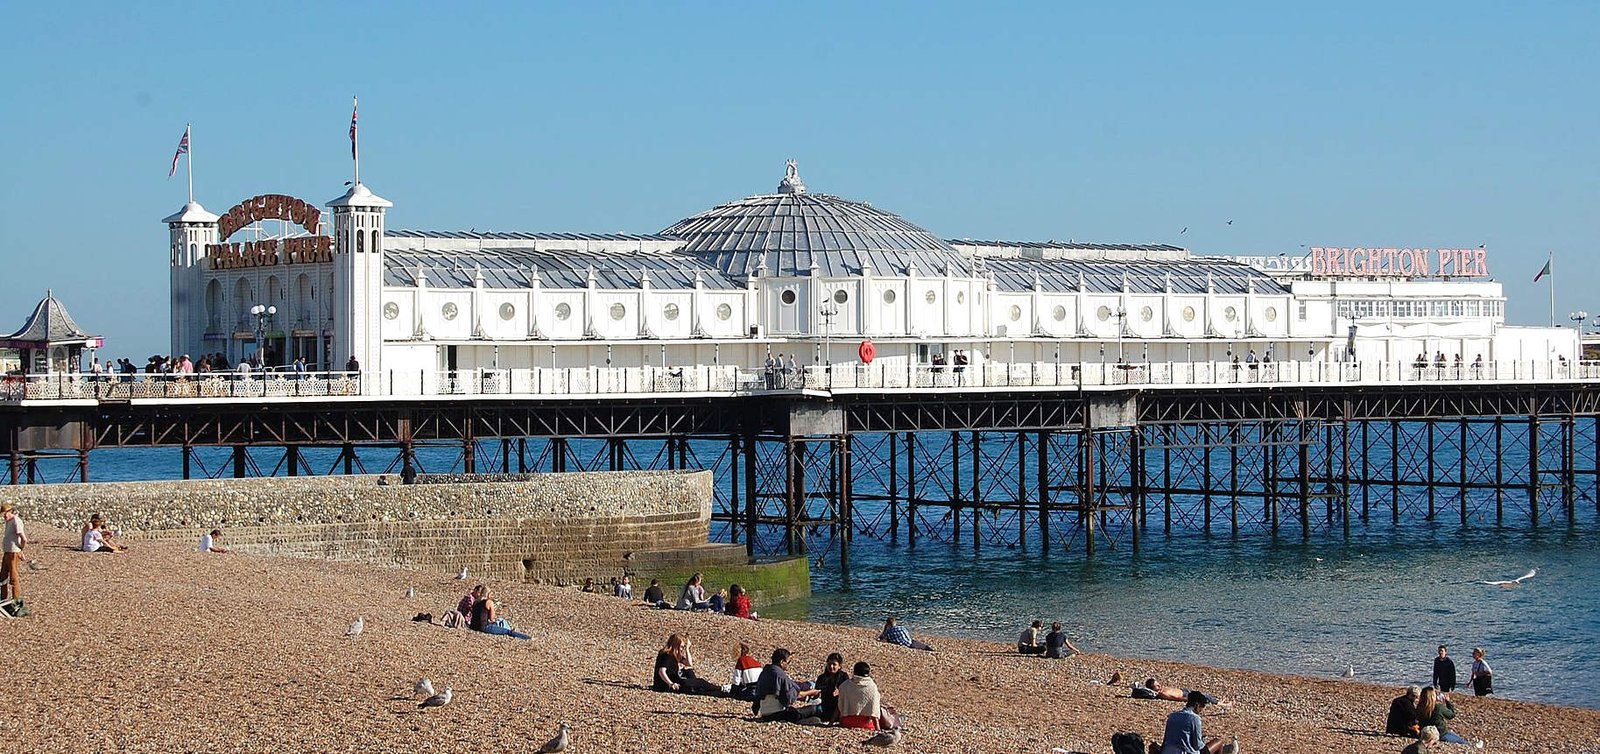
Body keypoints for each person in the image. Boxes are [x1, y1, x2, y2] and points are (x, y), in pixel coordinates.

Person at [754, 647, 822, 723]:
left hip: (764, 713)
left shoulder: (765, 672)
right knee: (813, 709)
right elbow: (794, 695)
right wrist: (811, 692)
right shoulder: (779, 675)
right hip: (778, 714)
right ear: (782, 662)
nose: (788, 665)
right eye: (788, 662)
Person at [1159, 690, 1229, 754]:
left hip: (1167, 751)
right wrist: (1203, 742)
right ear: (1197, 705)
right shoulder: (1194, 718)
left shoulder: (1172, 716)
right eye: (1202, 707)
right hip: (1185, 752)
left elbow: (1165, 740)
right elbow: (1197, 745)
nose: (1200, 711)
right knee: (1218, 742)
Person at [652, 634, 723, 696]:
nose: (682, 649)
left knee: (689, 671)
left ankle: (696, 685)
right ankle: (720, 688)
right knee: (700, 681)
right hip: (665, 685)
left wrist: (687, 649)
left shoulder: (675, 655)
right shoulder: (667, 655)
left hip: (674, 680)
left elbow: (689, 664)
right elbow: (661, 671)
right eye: (681, 647)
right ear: (676, 645)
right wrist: (671, 684)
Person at [837, 661, 882, 730]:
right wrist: (878, 729)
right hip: (866, 724)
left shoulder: (845, 685)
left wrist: (834, 723)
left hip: (847, 722)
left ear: (854, 672)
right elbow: (874, 710)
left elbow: (840, 706)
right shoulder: (872, 686)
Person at [1, 503, 27, 604]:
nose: (4, 516)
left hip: (14, 552)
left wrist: (20, 550)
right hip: (7, 552)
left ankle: (16, 600)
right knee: (3, 576)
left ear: (10, 512)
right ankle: (3, 599)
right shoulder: (8, 521)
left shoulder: (16, 521)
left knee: (13, 577)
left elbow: (24, 539)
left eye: (5, 514)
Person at [814, 652, 850, 723]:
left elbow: (848, 693)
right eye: (829, 664)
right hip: (825, 708)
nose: (831, 666)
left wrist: (840, 692)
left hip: (839, 709)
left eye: (834, 664)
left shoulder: (843, 677)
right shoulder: (822, 678)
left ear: (839, 666)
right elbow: (816, 693)